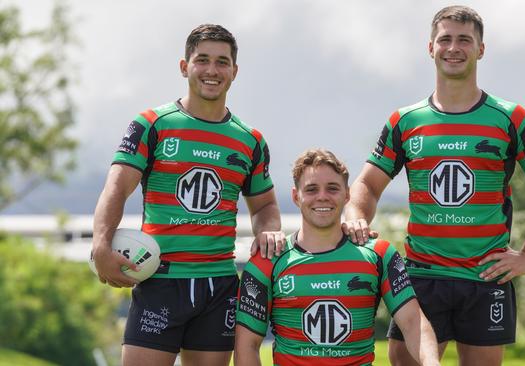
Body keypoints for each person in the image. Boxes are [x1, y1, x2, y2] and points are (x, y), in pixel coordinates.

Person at [343, 5, 525, 366]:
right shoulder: (405, 121)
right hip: (421, 276)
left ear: (481, 49)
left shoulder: (511, 118)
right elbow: (367, 186)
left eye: (464, 40)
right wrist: (356, 217)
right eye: (445, 39)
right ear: (430, 47)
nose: (454, 48)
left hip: (485, 276)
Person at [91, 24, 285, 366]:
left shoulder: (250, 140)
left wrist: (267, 230)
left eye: (222, 62)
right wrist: (100, 244)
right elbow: (117, 188)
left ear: (234, 72)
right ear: (185, 67)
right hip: (160, 280)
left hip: (218, 285)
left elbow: (265, 204)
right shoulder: (152, 124)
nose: (212, 70)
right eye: (203, 60)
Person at [234, 149, 440, 366]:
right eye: (312, 189)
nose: (322, 196)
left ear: (347, 195)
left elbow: (412, 321)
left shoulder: (379, 254)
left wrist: (432, 363)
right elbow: (247, 344)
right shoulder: (267, 260)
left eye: (332, 188)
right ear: (296, 196)